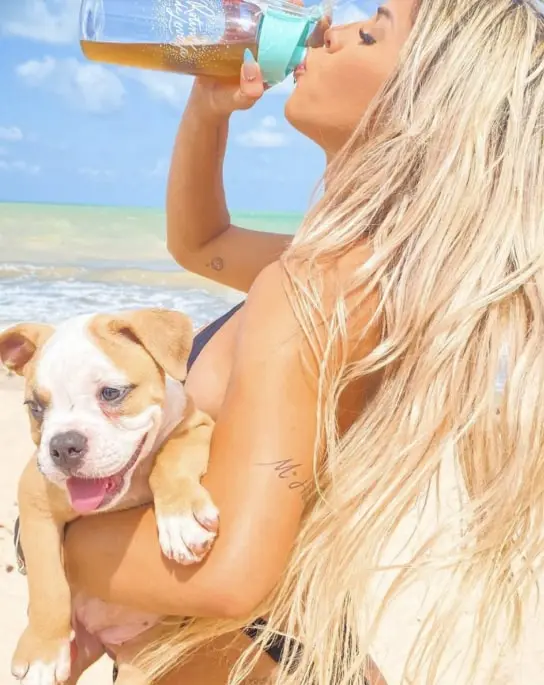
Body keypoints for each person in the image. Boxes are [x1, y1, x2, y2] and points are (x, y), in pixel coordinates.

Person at [19, 0, 544, 682]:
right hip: (299, 653)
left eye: (371, 29)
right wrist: (209, 110)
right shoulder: (367, 272)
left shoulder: (312, 288)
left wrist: (49, 533)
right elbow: (201, 244)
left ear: (423, 109)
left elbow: (231, 574)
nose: (329, 23)